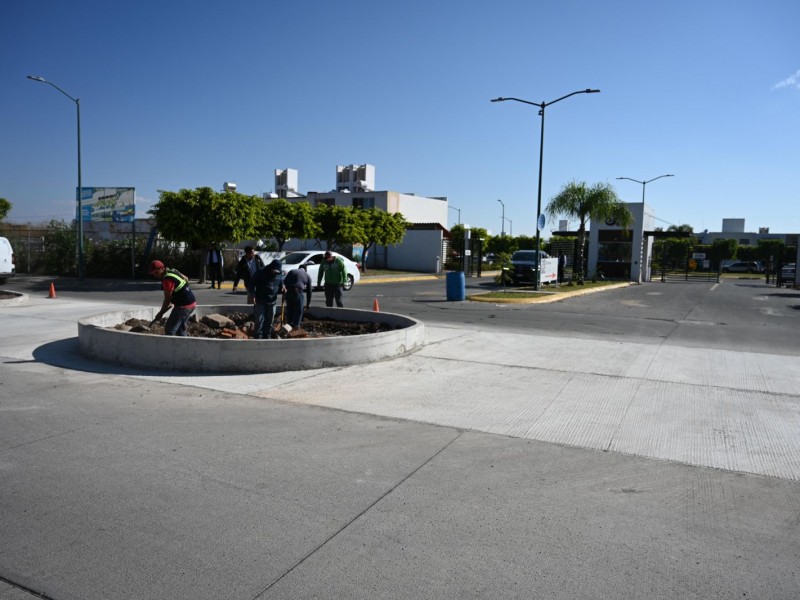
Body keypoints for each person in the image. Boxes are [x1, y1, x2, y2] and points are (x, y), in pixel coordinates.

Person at [148, 259, 197, 336]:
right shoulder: (172, 271)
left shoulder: (167, 280)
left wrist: (160, 313)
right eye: (153, 273)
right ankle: (184, 346)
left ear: (162, 268)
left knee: (169, 329)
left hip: (184, 306)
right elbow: (186, 278)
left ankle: (171, 347)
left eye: (156, 272)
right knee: (180, 329)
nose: (155, 275)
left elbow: (167, 299)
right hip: (191, 302)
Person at [248, 259, 285, 339]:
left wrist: (283, 287)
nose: (275, 273)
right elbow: (251, 283)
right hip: (261, 301)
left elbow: (281, 282)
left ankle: (267, 336)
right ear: (271, 267)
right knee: (259, 321)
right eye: (274, 271)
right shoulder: (261, 272)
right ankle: (258, 337)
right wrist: (252, 294)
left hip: (272, 302)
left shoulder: (279, 273)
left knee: (269, 321)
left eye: (277, 272)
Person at [283, 264, 312, 329]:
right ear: (305, 270)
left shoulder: (292, 271)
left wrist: (285, 295)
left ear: (299, 268)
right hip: (298, 292)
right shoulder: (307, 275)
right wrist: (308, 303)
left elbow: (285, 282)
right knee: (299, 309)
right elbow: (309, 291)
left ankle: (288, 325)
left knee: (289, 308)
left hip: (288, 291)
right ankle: (296, 326)